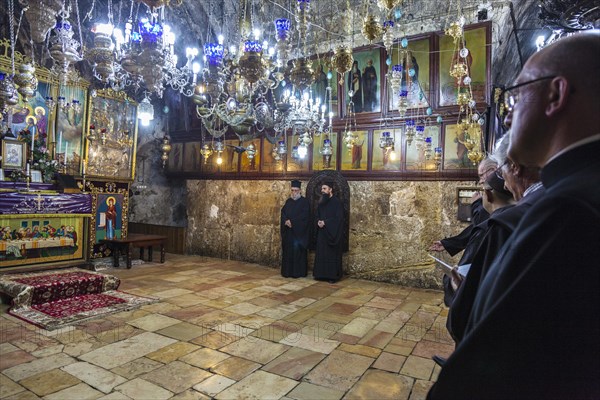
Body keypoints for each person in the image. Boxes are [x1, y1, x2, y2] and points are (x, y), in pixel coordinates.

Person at [428, 32, 600, 399]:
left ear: (557, 94)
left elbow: (495, 365)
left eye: (518, 95)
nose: (507, 113)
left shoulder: (564, 210)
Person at [446, 134, 546, 342]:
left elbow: (479, 299)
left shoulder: (508, 221)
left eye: (501, 171)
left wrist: (460, 288)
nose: (507, 185)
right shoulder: (552, 201)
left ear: (515, 167)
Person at [430, 157, 497, 256]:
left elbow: (481, 226)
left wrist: (476, 204)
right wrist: (447, 244)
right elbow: (476, 229)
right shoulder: (490, 193)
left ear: (494, 170)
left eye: (482, 175)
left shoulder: (501, 194)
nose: (481, 181)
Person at [313, 181, 344, 283]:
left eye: (325, 189)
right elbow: (317, 214)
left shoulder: (336, 202)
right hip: (322, 233)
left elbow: (338, 219)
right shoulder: (321, 202)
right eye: (322, 189)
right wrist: (318, 221)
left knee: (331, 254)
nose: (322, 191)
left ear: (330, 190)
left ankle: (332, 276)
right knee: (321, 253)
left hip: (332, 233)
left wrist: (325, 222)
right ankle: (320, 274)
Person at [280, 180, 310, 278]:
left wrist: (293, 223)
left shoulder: (304, 202)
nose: (294, 193)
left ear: (300, 191)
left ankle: (298, 272)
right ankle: (287, 272)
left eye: (296, 191)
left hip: (298, 235)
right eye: (292, 190)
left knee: (297, 253)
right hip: (289, 234)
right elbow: (283, 213)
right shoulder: (288, 202)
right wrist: (285, 221)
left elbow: (305, 218)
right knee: (288, 253)